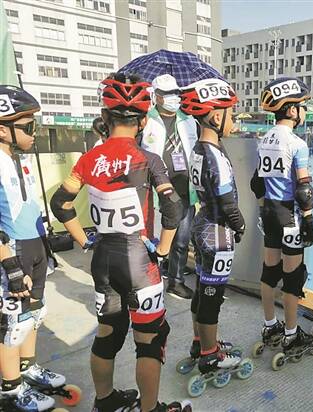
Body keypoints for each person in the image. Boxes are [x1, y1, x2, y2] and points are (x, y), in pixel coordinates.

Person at [50, 73, 190, 412]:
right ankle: (149, 409)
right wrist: (163, 250)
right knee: (150, 340)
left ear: (105, 117)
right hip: (140, 263)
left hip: (103, 261)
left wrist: (85, 242)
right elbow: (173, 207)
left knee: (108, 334)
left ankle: (105, 401)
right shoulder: (148, 159)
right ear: (142, 121)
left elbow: (60, 204)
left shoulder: (89, 159)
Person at [0, 85, 65, 411]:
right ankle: (11, 389)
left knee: (34, 315)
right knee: (11, 324)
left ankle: (27, 369)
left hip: (35, 245)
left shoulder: (17, 158)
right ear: (2, 130)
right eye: (28, 126)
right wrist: (10, 265)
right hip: (12, 250)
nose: (34, 132)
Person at [179, 78, 244, 373]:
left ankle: (200, 342)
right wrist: (240, 226)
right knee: (212, 296)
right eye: (232, 114)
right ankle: (210, 355)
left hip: (203, 222)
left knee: (203, 288)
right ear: (217, 117)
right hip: (217, 230)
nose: (234, 121)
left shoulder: (198, 149)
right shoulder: (215, 154)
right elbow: (228, 202)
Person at [250, 77, 313, 356]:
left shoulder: (264, 139)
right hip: (290, 215)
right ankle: (291, 335)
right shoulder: (296, 143)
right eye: (302, 106)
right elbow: (304, 189)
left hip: (269, 212)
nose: (304, 111)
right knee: (293, 276)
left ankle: (270, 326)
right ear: (291, 110)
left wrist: (264, 209)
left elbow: (257, 183)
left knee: (269, 272)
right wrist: (309, 219)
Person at [141, 74, 198, 300]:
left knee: (182, 240)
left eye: (176, 93)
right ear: (156, 96)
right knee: (153, 240)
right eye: (167, 94)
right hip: (155, 191)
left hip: (185, 189)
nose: (174, 97)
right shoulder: (145, 120)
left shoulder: (189, 120)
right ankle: (149, 278)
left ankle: (176, 281)